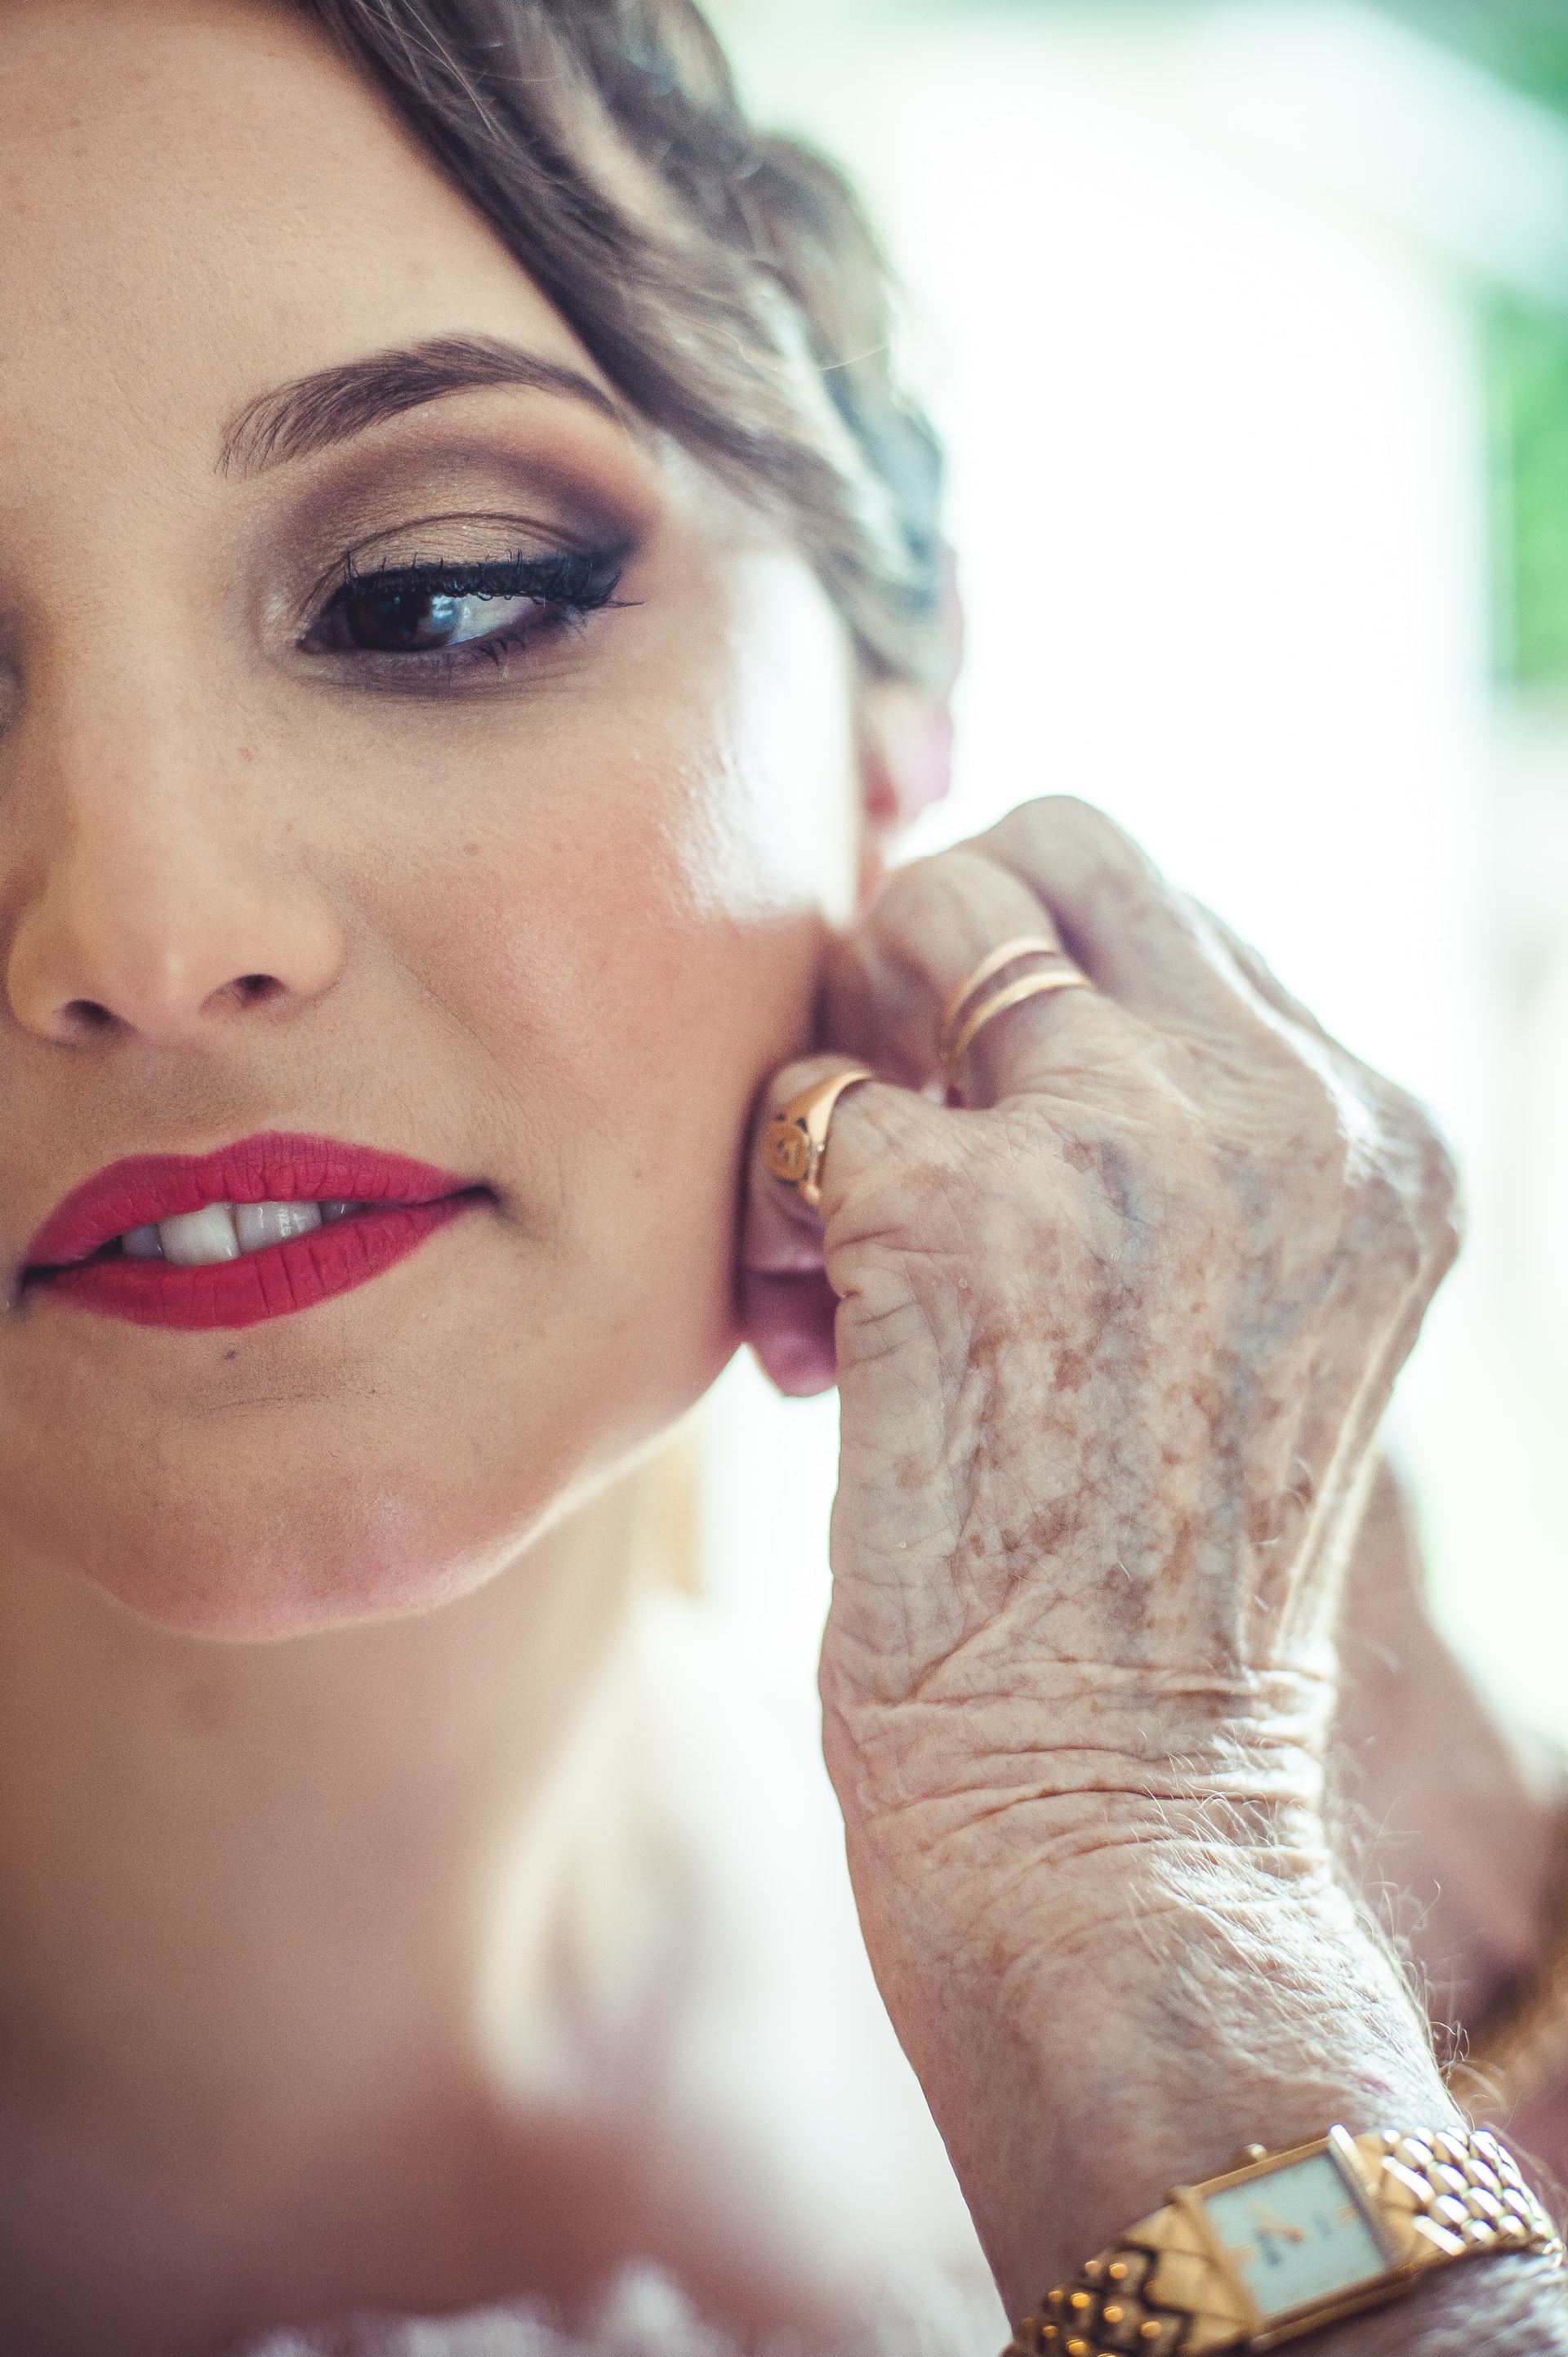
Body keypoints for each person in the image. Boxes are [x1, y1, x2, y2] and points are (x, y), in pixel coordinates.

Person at [0, 2, 1563, 2352]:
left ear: (884, 721)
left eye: (433, 592)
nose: (148, 929)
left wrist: (1356, 1899)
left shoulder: (1338, 1942)